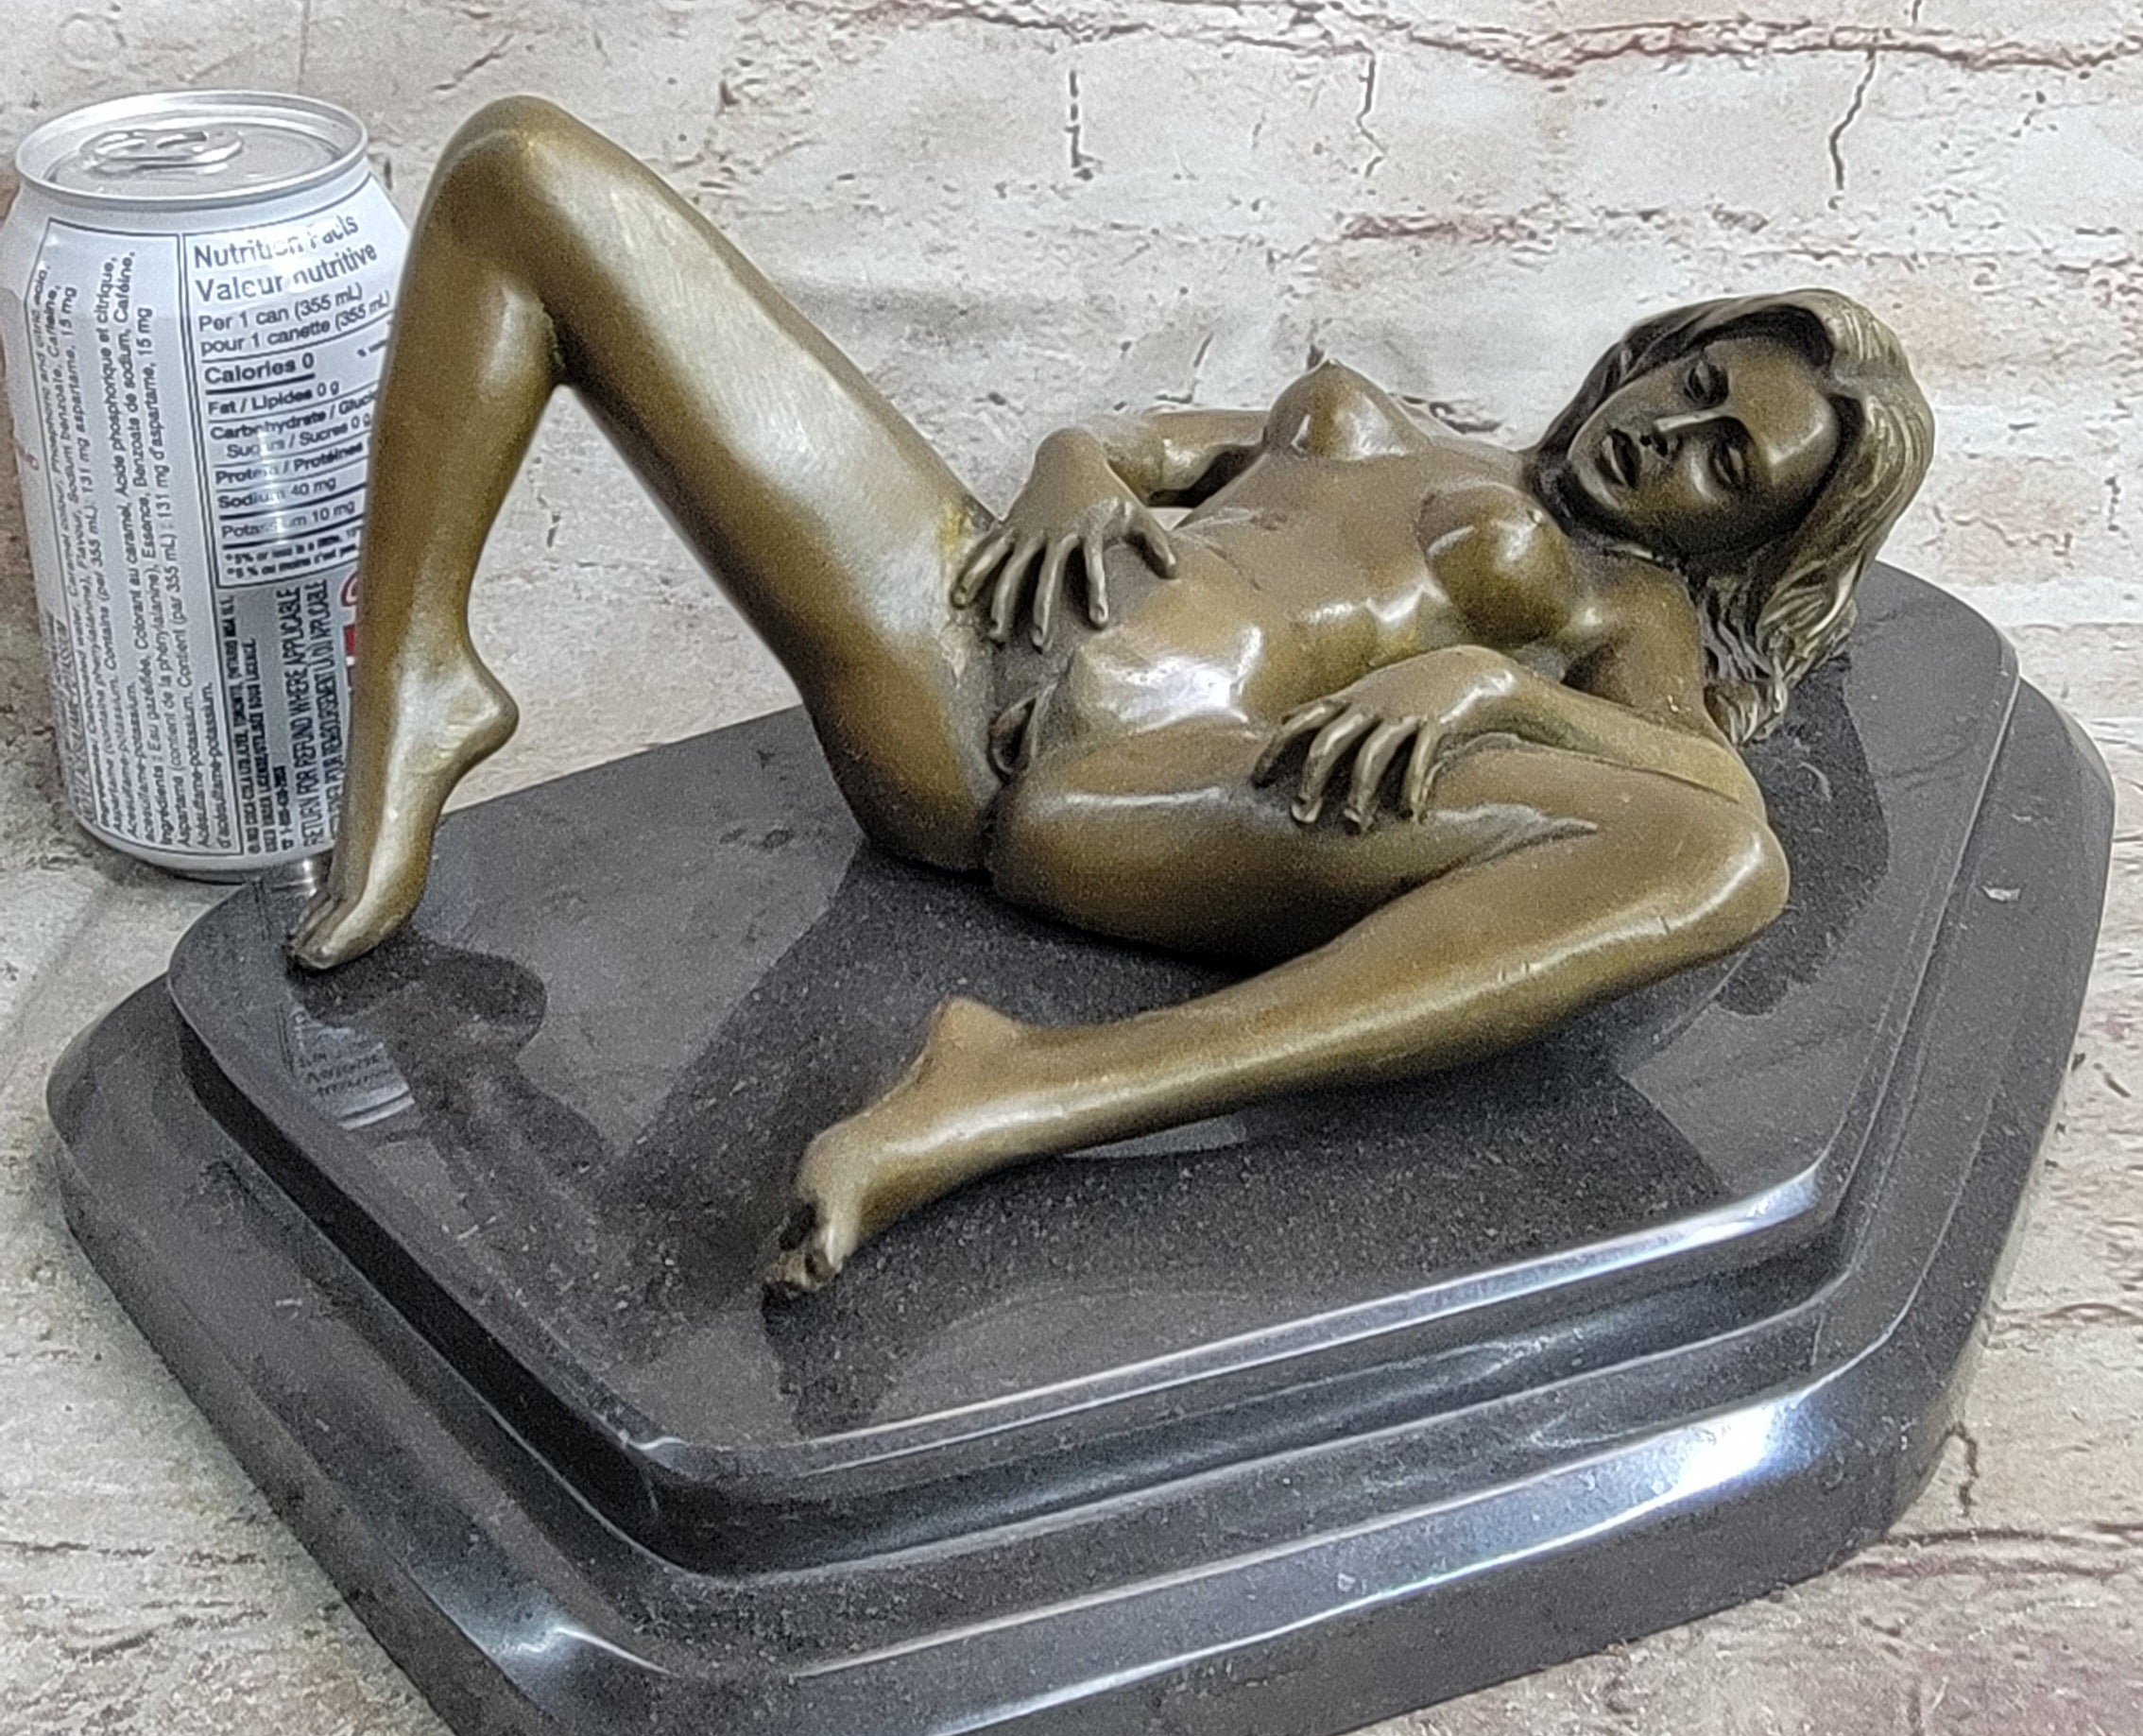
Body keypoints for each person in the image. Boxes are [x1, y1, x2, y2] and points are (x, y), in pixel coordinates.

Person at [291, 97, 1934, 1289]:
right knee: (521, 172)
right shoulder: (1411, 427)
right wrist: (1071, 474)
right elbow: (1135, 444)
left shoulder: (1625, 604)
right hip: (955, 628)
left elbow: (1708, 796)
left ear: (1752, 536)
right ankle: (421, 684)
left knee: (1716, 864)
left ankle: (1022, 1088)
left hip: (1148, 781)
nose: (1668, 437)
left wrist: (1483, 690)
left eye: (1728, 464)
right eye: (1696, 384)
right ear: (1659, 346)